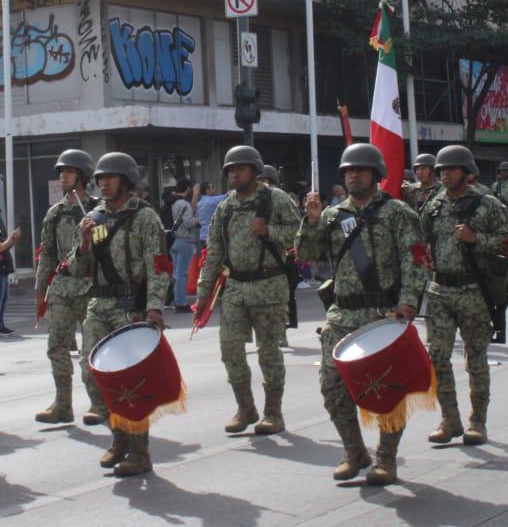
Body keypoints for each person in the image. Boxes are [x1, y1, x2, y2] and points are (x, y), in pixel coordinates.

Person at [296, 143, 431, 485]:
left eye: (360, 169)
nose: (354, 174)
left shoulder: (399, 214)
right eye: (348, 170)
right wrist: (311, 221)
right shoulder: (332, 216)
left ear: (376, 174)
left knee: (388, 390)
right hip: (342, 315)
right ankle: (354, 450)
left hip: (383, 314)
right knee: (332, 388)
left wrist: (408, 303)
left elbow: (415, 261)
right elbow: (307, 255)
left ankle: (386, 458)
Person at [64, 152, 170, 477]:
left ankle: (140, 452)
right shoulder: (94, 218)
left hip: (131, 307)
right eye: (99, 179)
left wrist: (153, 307)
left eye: (110, 178)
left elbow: (159, 265)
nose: (103, 183)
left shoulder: (145, 217)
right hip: (99, 304)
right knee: (91, 374)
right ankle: (118, 436)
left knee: (131, 382)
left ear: (125, 180)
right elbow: (76, 268)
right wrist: (83, 243)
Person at [196, 146, 300, 436]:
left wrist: (269, 231)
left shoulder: (275, 199)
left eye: (239, 168)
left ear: (255, 171)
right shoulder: (225, 207)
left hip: (269, 287)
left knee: (268, 352)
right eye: (230, 170)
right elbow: (214, 252)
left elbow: (301, 234)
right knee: (230, 350)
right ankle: (245, 407)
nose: (234, 174)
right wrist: (204, 295)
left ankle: (273, 413)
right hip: (236, 289)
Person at [421, 146, 508, 447]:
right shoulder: (433, 206)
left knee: (476, 359)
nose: (445, 173)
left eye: (452, 168)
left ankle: (477, 421)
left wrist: (477, 240)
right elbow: (423, 244)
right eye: (441, 169)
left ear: (466, 171)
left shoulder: (487, 205)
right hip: (440, 291)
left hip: (473, 291)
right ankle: (450, 417)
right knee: (437, 356)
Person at [34, 150, 99, 425]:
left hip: (89, 286)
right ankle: (63, 403)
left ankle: (98, 403)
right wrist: (40, 287)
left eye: (69, 172)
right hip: (61, 286)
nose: (64, 176)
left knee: (92, 349)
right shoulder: (55, 212)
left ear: (82, 176)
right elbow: (47, 252)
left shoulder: (98, 209)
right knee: (57, 346)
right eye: (61, 172)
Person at [167, 179, 200, 313]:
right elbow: (187, 222)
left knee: (176, 273)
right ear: (187, 189)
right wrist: (196, 221)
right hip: (184, 240)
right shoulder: (183, 204)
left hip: (173, 240)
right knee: (182, 274)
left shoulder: (172, 201)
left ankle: (176, 300)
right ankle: (181, 303)